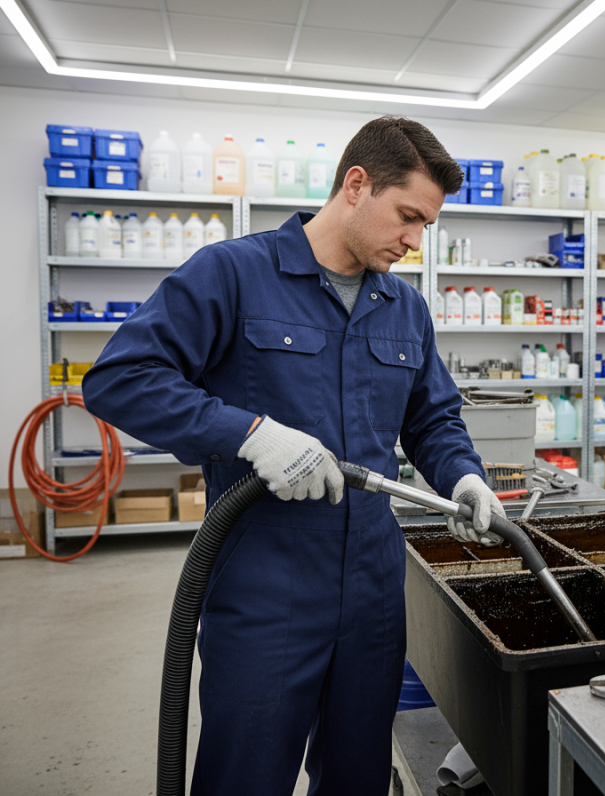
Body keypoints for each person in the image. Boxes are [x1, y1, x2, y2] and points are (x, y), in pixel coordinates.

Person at [82, 116, 504, 795]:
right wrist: (250, 432)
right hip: (264, 588)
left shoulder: (405, 309)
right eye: (407, 218)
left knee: (357, 775)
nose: (414, 241)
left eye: (426, 225)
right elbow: (119, 380)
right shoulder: (234, 274)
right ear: (356, 185)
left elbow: (432, 418)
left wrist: (464, 475)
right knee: (245, 775)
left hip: (372, 588)